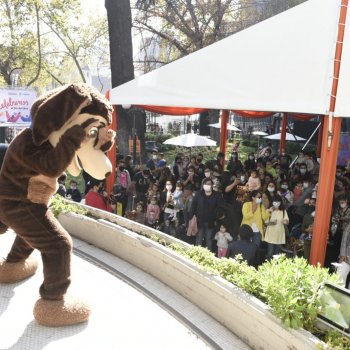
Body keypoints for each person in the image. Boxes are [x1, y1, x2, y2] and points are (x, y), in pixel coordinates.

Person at [189, 178, 224, 252]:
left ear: (212, 185)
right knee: (199, 238)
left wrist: (217, 219)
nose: (208, 185)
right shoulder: (198, 193)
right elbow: (193, 206)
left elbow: (220, 208)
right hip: (199, 221)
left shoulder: (217, 195)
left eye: (209, 184)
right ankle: (197, 253)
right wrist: (191, 217)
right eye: (206, 184)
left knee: (209, 239)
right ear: (203, 185)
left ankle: (208, 255)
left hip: (211, 222)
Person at [264, 195, 289, 260]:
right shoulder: (268, 210)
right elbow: (265, 223)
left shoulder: (283, 211)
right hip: (270, 235)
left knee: (277, 254)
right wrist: (272, 223)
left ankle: (275, 268)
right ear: (272, 202)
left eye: (278, 201)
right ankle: (268, 266)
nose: (276, 203)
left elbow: (287, 220)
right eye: (275, 201)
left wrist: (285, 221)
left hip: (279, 235)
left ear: (280, 202)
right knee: (270, 253)